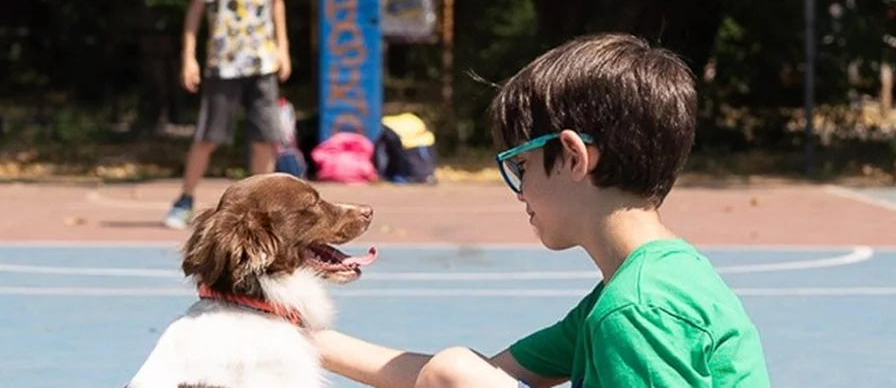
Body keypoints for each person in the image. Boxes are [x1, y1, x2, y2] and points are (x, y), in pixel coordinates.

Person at [310, 32, 771, 387]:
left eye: (521, 165)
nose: (519, 190)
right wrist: (303, 337)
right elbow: (473, 373)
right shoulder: (645, 282)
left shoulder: (635, 310)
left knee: (455, 371)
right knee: (455, 372)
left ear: (573, 157)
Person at [163, 0, 292, 230]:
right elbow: (194, 14)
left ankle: (259, 208)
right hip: (224, 64)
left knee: (265, 137)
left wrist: (283, 48)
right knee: (209, 136)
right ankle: (185, 198)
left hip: (262, 63)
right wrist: (189, 58)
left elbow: (277, 2)